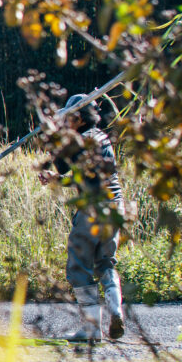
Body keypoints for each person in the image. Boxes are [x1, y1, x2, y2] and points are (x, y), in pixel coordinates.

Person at [39, 93, 125, 340]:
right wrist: (57, 180)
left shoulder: (80, 140)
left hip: (91, 212)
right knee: (106, 262)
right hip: (115, 208)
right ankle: (115, 308)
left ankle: (91, 328)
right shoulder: (101, 137)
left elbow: (64, 165)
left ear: (78, 118)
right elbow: (82, 176)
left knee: (79, 267)